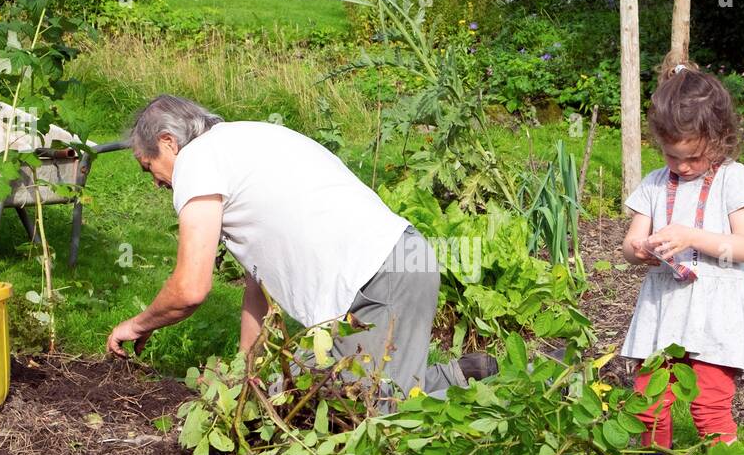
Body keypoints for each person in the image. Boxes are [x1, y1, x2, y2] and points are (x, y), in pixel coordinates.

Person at [105, 95, 496, 401]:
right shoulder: (243, 142)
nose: (155, 182)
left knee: (374, 420)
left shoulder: (195, 162)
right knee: (294, 397)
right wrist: (246, 371)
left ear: (168, 142)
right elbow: (259, 285)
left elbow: (190, 288)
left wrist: (136, 325)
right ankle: (456, 378)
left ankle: (522, 395)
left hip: (379, 279)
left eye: (147, 166)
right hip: (395, 264)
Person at [619, 61, 744, 455]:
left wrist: (691, 235)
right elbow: (629, 244)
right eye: (672, 156)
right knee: (650, 395)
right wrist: (641, 250)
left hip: (714, 316)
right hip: (664, 310)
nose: (682, 167)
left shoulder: (734, 178)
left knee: (709, 405)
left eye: (692, 157)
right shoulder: (653, 183)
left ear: (719, 139)